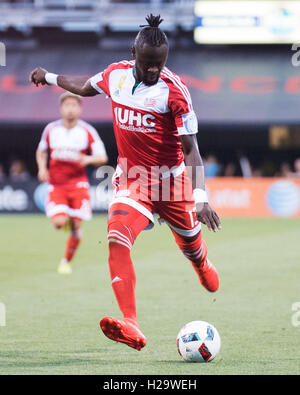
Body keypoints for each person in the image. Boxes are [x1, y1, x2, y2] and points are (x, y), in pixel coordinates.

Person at [29, 14, 221, 351]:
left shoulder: (175, 92)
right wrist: (49, 77)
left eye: (158, 65)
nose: (152, 71)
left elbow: (192, 150)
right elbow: (84, 87)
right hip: (132, 180)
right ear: (134, 53)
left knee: (193, 251)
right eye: (147, 63)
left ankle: (201, 261)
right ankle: (131, 323)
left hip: (172, 184)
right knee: (116, 237)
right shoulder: (114, 75)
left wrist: (201, 197)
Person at [35, 92, 108, 274]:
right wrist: (42, 168)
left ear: (79, 109)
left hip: (78, 185)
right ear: (61, 109)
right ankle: (65, 217)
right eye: (67, 105)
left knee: (76, 228)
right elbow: (41, 151)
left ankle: (66, 261)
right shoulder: (51, 129)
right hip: (56, 185)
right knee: (59, 223)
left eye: (74, 105)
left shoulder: (87, 131)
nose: (70, 109)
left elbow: (102, 157)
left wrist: (87, 159)